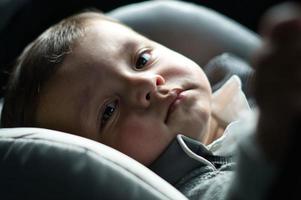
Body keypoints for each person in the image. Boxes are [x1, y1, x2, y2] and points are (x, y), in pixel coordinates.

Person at [0, 1, 300, 199]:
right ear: (109, 161)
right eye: (109, 111)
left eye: (142, 59)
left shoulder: (235, 73)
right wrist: (271, 129)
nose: (146, 84)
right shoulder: (187, 185)